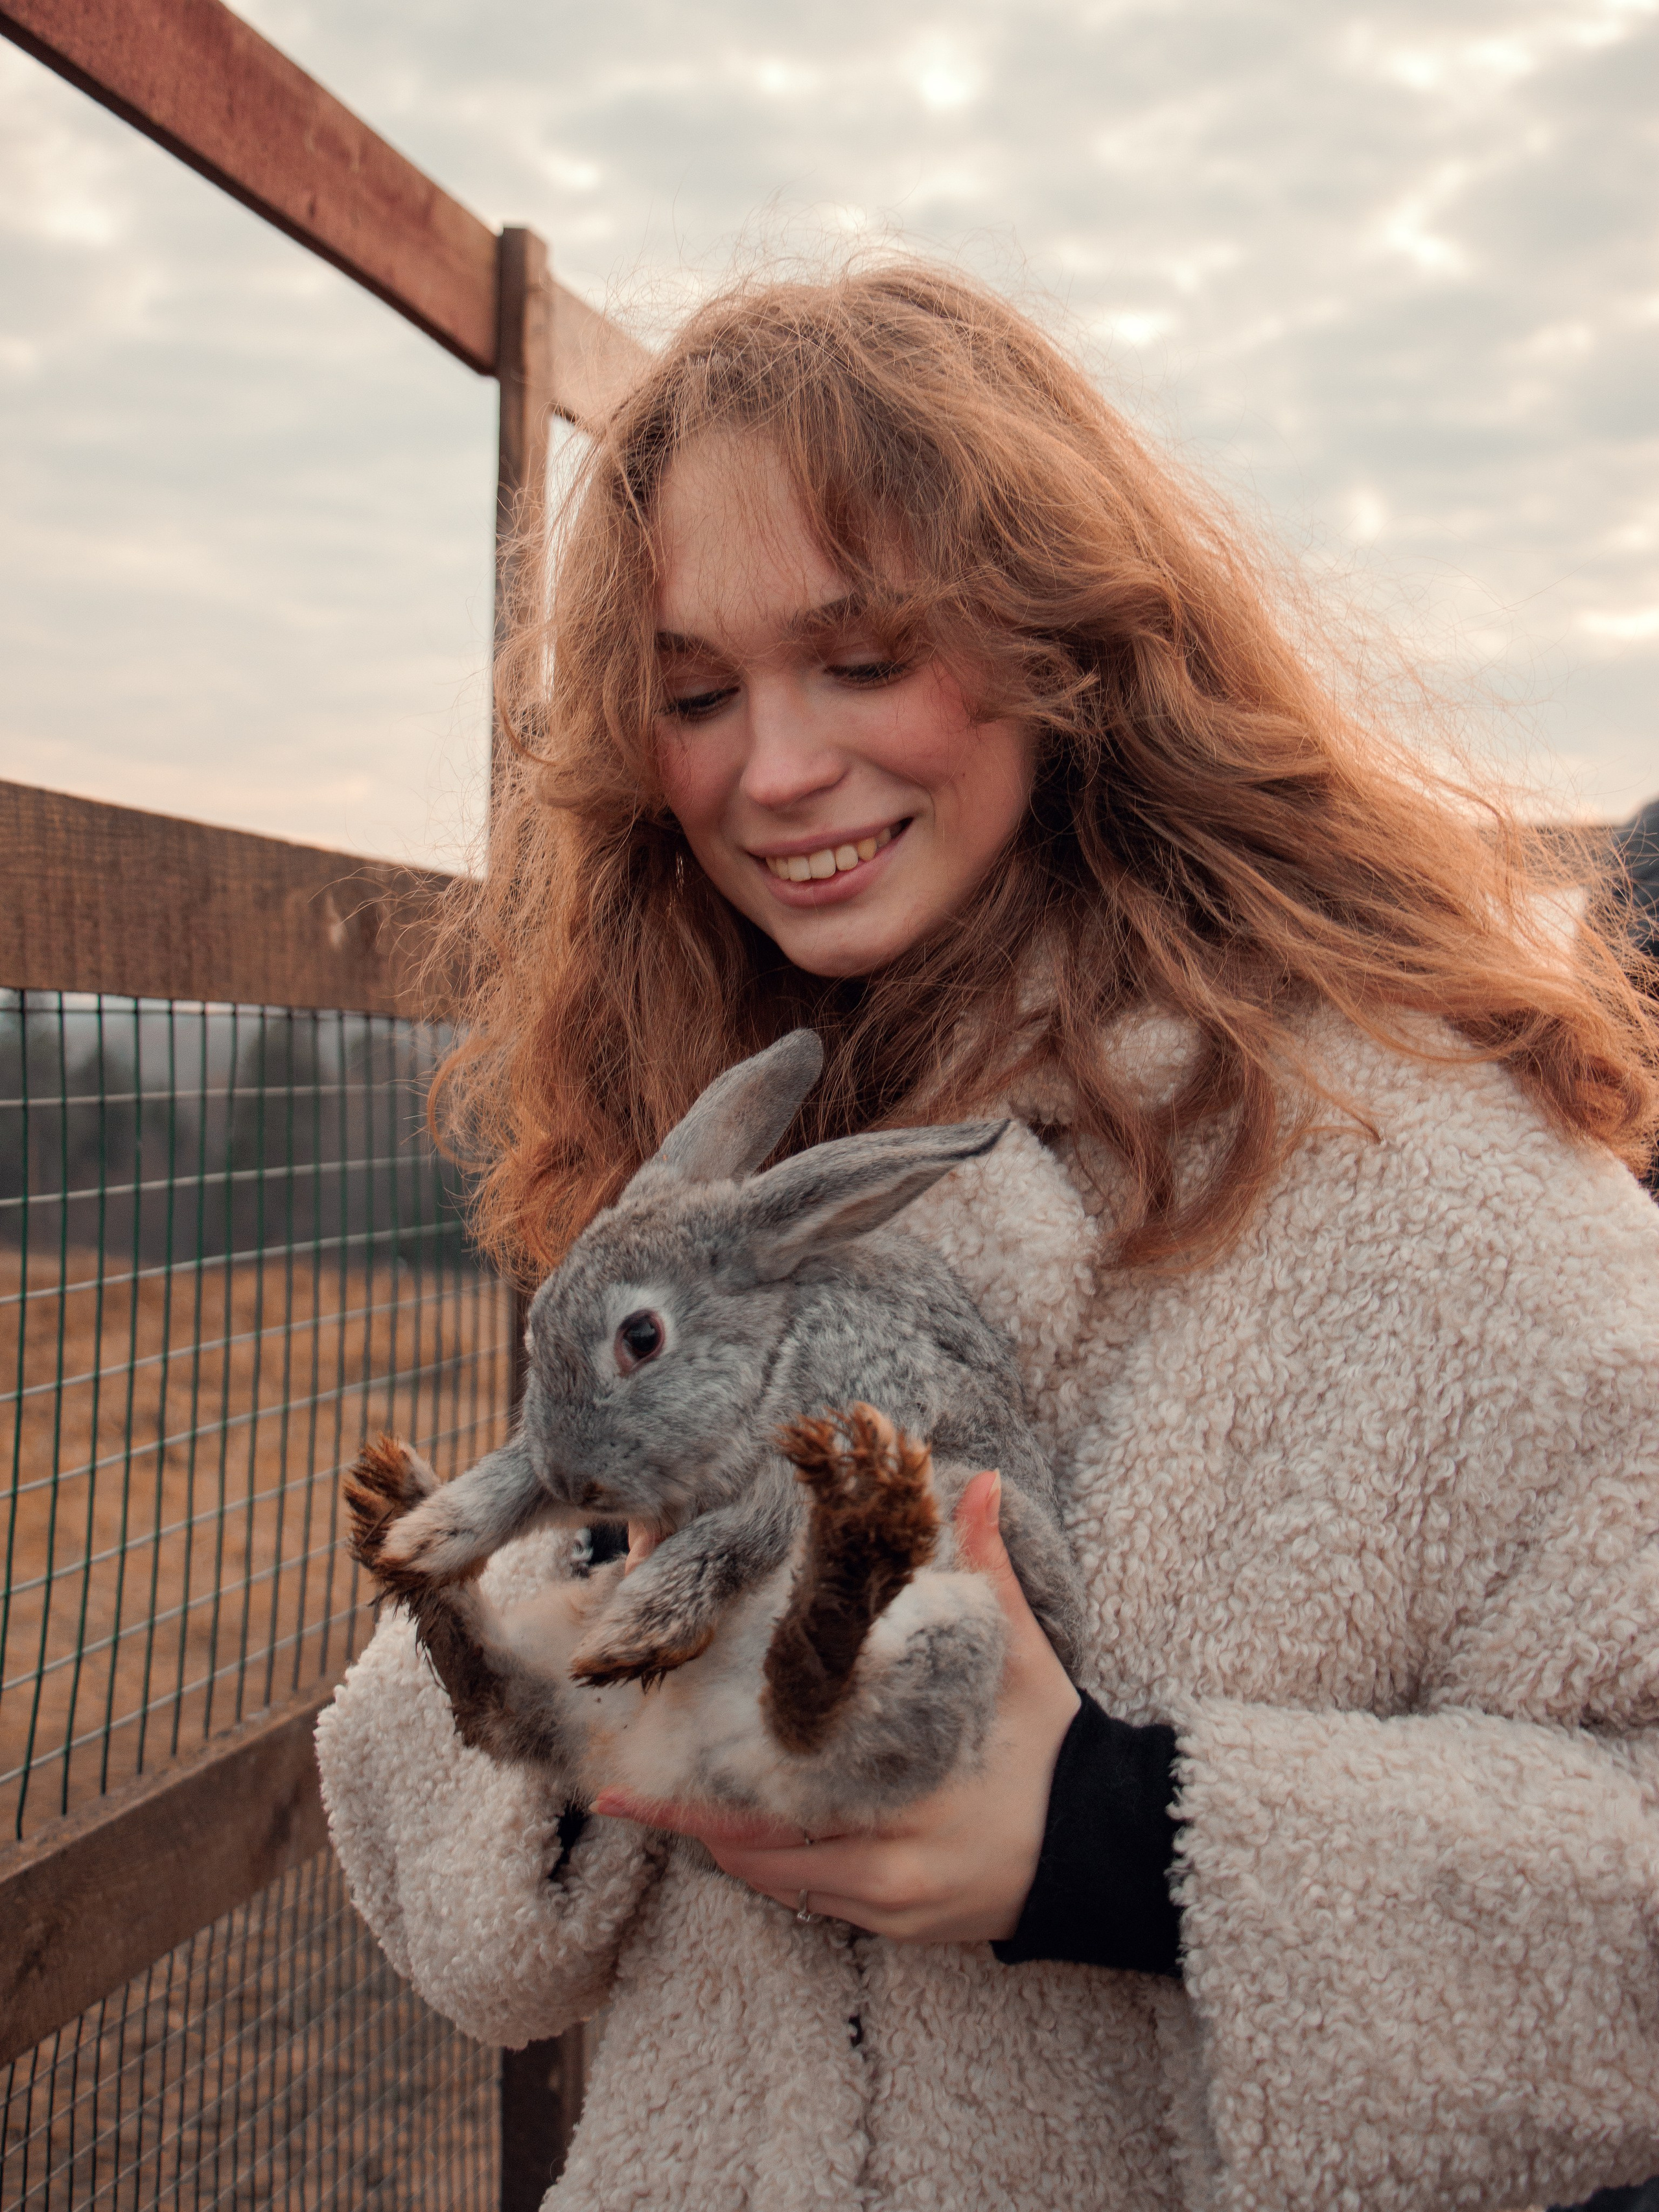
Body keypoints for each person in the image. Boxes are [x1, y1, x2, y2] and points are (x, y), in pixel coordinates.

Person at [316, 261, 1659, 2212]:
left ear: (1066, 650)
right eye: (697, 692)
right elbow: (463, 1919)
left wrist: (1113, 1839)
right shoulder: (708, 1139)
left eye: (861, 661)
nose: (770, 771)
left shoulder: (1417, 1161)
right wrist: (558, 1646)